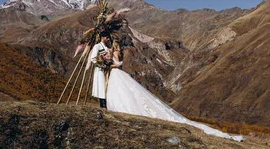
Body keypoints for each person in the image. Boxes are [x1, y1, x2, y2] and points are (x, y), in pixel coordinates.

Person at [106, 42, 244, 142]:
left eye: (114, 46)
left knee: (124, 91)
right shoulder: (114, 53)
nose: (115, 48)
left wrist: (108, 64)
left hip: (117, 73)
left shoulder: (117, 54)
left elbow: (118, 64)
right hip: (116, 74)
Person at [90, 32, 111, 108]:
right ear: (102, 37)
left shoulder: (107, 47)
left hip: (106, 69)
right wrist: (101, 65)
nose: (108, 39)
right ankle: (103, 105)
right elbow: (93, 58)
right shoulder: (97, 46)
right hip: (100, 70)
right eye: (106, 37)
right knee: (102, 86)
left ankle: (106, 105)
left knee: (106, 86)